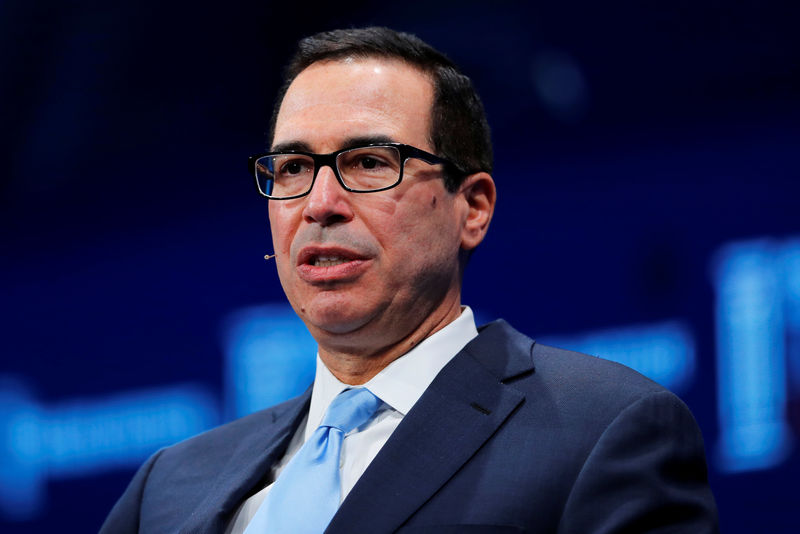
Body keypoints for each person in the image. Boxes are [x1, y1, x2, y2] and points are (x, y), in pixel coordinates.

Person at [101, 27, 718, 533]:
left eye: (368, 162)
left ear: (471, 206)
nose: (320, 204)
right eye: (291, 168)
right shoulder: (167, 488)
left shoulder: (602, 430)